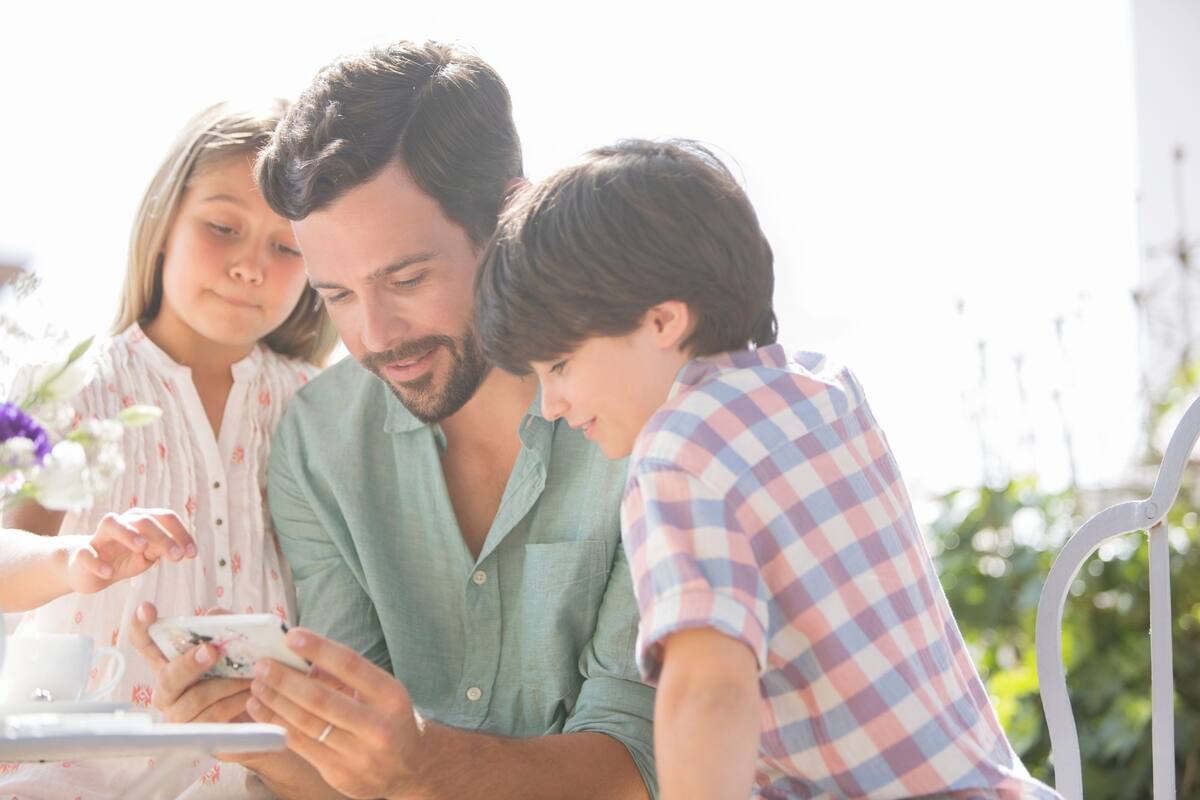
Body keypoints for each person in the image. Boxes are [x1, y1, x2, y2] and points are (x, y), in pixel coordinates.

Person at [128, 41, 657, 800]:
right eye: (336, 295)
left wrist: (416, 759)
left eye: (406, 278)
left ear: (510, 215)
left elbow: (639, 765)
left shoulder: (639, 419)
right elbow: (353, 778)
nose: (374, 337)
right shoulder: (319, 442)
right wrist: (252, 741)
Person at [473, 139, 1064, 800]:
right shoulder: (824, 389)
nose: (551, 405)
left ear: (663, 320)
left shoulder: (677, 453)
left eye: (559, 367)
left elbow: (708, 688)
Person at [0, 100, 337, 798]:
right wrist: (74, 558)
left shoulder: (320, 407)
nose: (251, 266)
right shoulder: (67, 384)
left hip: (258, 779)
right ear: (163, 224)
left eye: (287, 246)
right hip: (74, 777)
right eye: (222, 227)